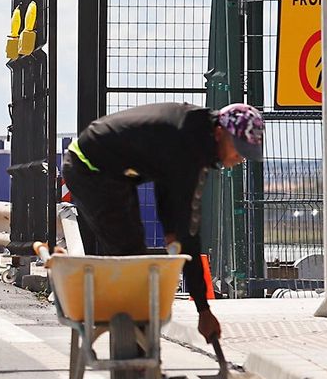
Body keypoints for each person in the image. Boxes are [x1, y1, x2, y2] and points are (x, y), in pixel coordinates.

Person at [61, 101, 265, 349]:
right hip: (90, 169)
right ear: (220, 133)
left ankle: (140, 360)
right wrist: (203, 309)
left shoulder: (191, 133)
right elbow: (189, 232)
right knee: (133, 264)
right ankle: (135, 365)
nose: (239, 158)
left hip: (114, 173)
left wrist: (171, 234)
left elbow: (165, 188)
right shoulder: (188, 148)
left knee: (136, 261)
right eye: (238, 149)